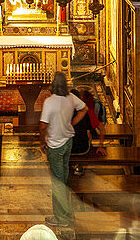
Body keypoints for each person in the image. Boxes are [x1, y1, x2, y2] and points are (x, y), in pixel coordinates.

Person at [39, 71, 87, 227]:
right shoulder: (71, 98)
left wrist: (41, 141)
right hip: (68, 142)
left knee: (57, 183)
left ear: (53, 85)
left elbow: (43, 125)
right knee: (63, 179)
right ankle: (66, 212)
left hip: (55, 145)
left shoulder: (50, 102)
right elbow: (84, 109)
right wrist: (71, 123)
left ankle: (62, 218)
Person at [70, 89, 102, 173]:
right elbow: (88, 133)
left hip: (68, 148)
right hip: (83, 147)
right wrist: (100, 146)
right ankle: (79, 165)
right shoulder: (86, 112)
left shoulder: (65, 112)